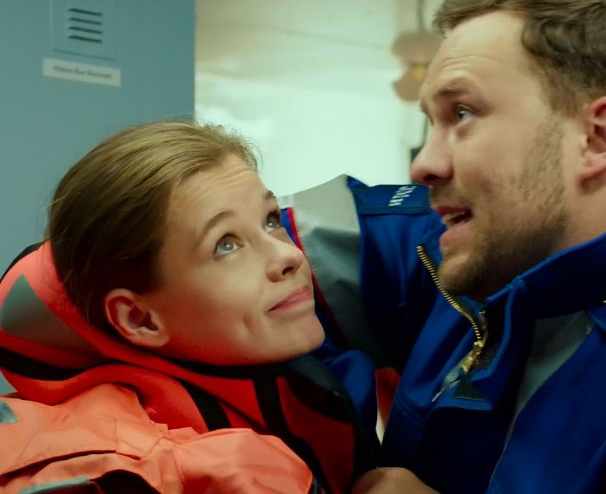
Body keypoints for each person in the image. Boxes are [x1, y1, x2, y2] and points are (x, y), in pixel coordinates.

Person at [283, 0, 606, 492]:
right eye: (431, 122)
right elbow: (242, 256)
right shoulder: (492, 238)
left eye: (462, 113)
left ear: (597, 138)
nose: (424, 164)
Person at [0, 121, 378, 493]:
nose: (288, 255)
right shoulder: (157, 476)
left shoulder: (284, 383)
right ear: (140, 319)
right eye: (225, 245)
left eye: (270, 220)